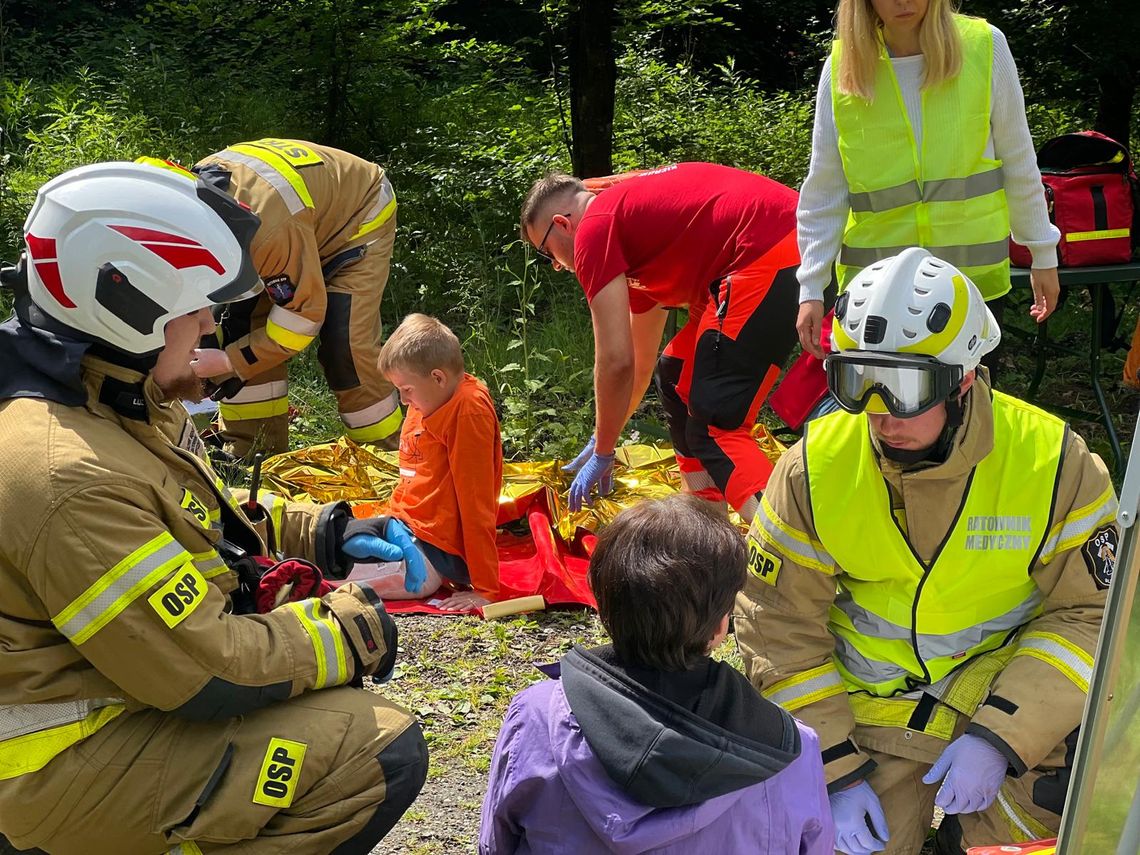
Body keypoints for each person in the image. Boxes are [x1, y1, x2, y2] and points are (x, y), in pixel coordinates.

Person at [0, 161, 428, 854]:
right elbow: (207, 669)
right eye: (193, 305)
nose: (208, 322)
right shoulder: (65, 472)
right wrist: (346, 630)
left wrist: (328, 530)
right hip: (55, 764)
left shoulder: (118, 397)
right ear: (123, 304)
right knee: (370, 747)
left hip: (112, 693)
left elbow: (193, 515)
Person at [734, 247, 1115, 855]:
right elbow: (775, 627)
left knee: (1045, 829)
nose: (880, 415)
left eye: (905, 387)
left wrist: (1002, 738)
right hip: (868, 722)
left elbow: (1094, 616)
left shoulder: (1053, 463)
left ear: (963, 376)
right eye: (858, 382)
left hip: (1009, 707)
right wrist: (833, 771)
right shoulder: (813, 468)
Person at [479, 493, 834, 854]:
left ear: (602, 606)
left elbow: (496, 843)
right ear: (721, 625)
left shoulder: (536, 717)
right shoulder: (791, 748)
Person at [794, 0, 1061, 379]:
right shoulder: (841, 67)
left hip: (970, 289)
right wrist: (811, 287)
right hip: (875, 295)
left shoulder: (985, 47)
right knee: (884, 421)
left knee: (967, 420)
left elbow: (1019, 160)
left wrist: (1042, 252)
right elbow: (824, 191)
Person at [519, 163, 801, 520]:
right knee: (674, 375)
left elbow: (615, 361)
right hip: (762, 252)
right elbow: (636, 364)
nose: (557, 266)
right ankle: (706, 523)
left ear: (562, 224)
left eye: (547, 254)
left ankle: (790, 553)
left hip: (768, 251)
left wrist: (605, 451)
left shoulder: (593, 230)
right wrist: (603, 437)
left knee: (715, 424)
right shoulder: (629, 234)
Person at [142, 137, 401, 458]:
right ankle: (254, 451)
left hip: (356, 218)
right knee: (238, 327)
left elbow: (302, 317)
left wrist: (229, 362)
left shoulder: (266, 231)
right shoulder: (196, 205)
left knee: (345, 344)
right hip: (295, 219)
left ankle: (386, 455)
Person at [346, 312, 504, 613]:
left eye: (406, 390)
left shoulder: (467, 411)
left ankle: (290, 573)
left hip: (433, 546)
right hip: (405, 526)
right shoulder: (430, 397)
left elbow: (476, 502)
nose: (404, 401)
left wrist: (485, 588)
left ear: (437, 377)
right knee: (335, 535)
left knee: (413, 579)